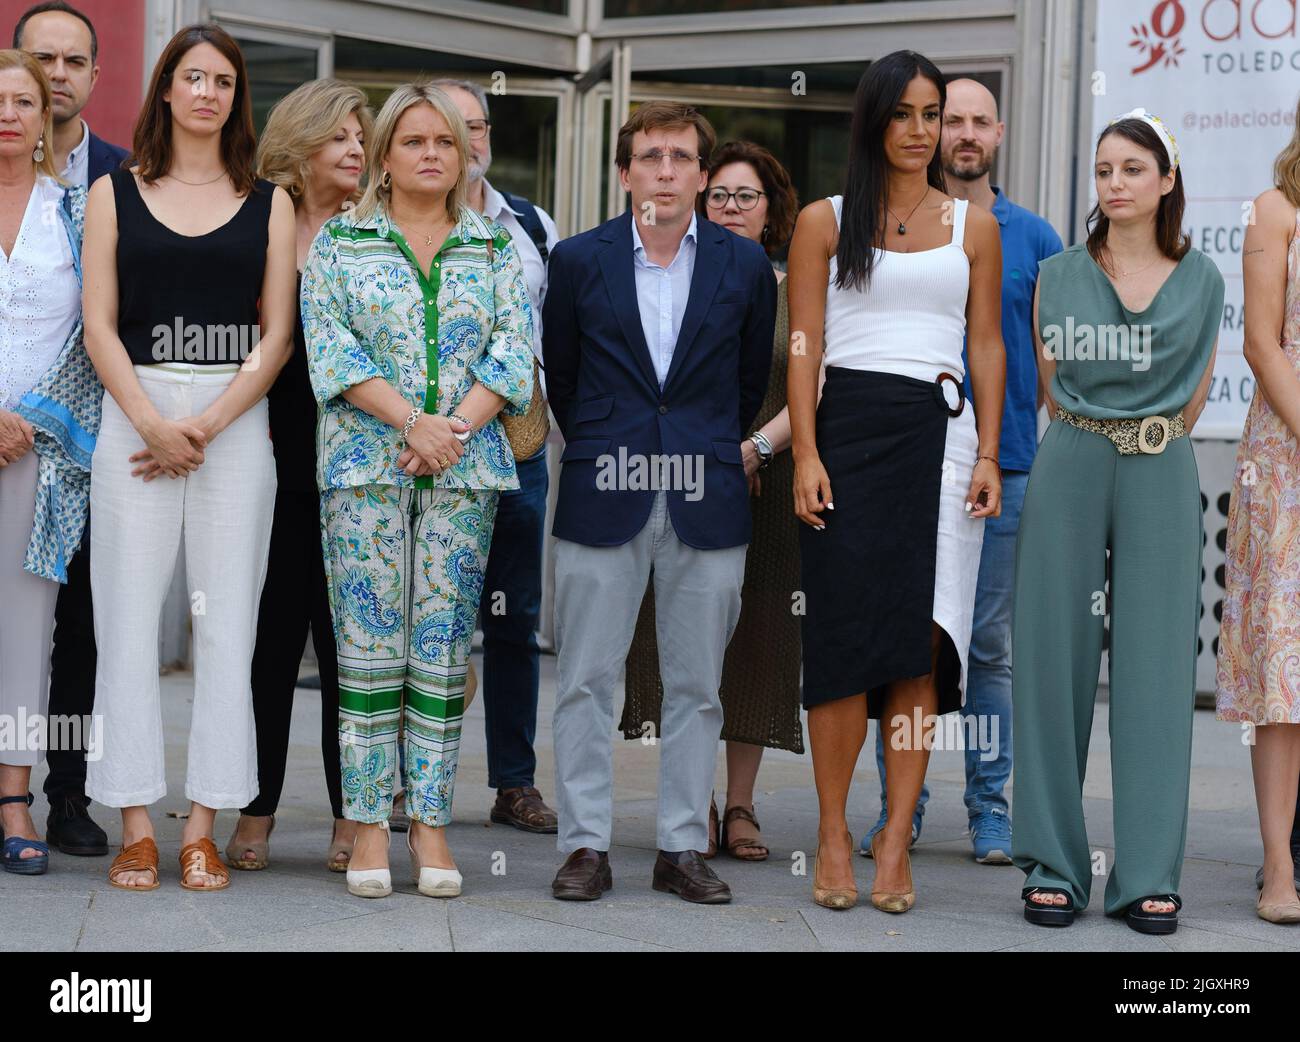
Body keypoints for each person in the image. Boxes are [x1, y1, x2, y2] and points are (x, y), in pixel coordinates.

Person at [301, 82, 534, 901]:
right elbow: (327, 348)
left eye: (446, 141)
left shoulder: (494, 249)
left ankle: (429, 823)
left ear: (464, 153)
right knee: (366, 650)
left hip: (463, 471)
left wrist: (453, 431)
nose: (432, 153)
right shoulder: (341, 242)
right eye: (413, 141)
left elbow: (513, 351)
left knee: (440, 649)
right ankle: (368, 823)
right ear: (385, 156)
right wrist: (411, 424)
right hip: (365, 469)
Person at [787, 51, 1004, 913]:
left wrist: (989, 450)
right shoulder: (822, 220)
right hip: (846, 437)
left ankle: (895, 837)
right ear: (874, 120)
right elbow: (804, 346)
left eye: (934, 114)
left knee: (922, 647)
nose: (922, 131)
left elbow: (984, 345)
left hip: (942, 443)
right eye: (906, 114)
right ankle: (834, 830)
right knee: (841, 645)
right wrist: (804, 452)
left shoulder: (972, 227)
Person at [81, 23, 296, 892]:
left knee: (227, 629)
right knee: (126, 627)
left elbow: (278, 334)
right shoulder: (113, 193)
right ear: (165, 90)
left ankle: (204, 823)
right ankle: (134, 821)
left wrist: (206, 422)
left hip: (233, 421)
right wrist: (151, 421)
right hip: (134, 414)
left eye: (223, 80)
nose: (207, 91)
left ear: (237, 97)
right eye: (191, 76)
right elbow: (98, 324)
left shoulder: (269, 199)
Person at [544, 102, 776, 904]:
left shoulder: (744, 269)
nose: (667, 171)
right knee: (584, 679)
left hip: (706, 496)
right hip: (603, 490)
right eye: (651, 157)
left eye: (682, 157)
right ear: (625, 173)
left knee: (697, 686)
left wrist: (706, 453)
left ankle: (681, 847)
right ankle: (584, 846)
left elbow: (748, 386)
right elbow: (563, 379)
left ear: (704, 175)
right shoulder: (577, 261)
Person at [1013, 110, 1223, 934]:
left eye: (1133, 169)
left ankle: (1144, 876)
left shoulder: (1202, 276)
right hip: (1072, 457)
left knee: (1157, 667)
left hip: (1161, 464)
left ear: (1167, 181)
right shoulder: (1060, 273)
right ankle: (1055, 867)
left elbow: (1199, 388)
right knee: (1052, 656)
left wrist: (1150, 433)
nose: (1115, 184)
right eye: (1104, 170)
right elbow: (1050, 378)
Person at [864, 77, 1062, 865]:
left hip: (1004, 466)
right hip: (905, 463)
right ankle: (899, 810)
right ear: (932, 130)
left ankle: (989, 809)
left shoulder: (1037, 237)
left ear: (1001, 133)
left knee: (988, 648)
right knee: (901, 644)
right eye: (953, 120)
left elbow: (1051, 362)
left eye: (981, 121)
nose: (965, 133)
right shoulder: (898, 223)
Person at [620, 139, 802, 862]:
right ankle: (689, 797)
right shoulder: (672, 275)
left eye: (745, 197)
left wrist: (751, 452)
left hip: (773, 474)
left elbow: (809, 385)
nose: (730, 208)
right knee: (678, 641)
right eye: (719, 194)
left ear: (771, 209)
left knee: (759, 636)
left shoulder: (795, 286)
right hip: (675, 481)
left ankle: (742, 804)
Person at [221, 79, 372, 875]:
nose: (355, 148)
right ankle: (256, 810)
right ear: (300, 140)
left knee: (348, 651)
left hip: (354, 462)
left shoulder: (377, 230)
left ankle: (353, 816)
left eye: (360, 136)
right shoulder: (254, 220)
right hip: (263, 454)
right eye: (339, 135)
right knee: (268, 647)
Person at [14, 0, 128, 859]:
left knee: (72, 625)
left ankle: (66, 794)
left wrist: (37, 420)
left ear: (94, 75)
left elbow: (107, 322)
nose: (55, 77)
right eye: (39, 60)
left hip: (77, 445)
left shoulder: (119, 180)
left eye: (72, 61)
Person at [433, 78, 560, 835]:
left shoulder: (534, 226)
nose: (467, 141)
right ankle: (415, 786)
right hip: (426, 454)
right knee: (430, 621)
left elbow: (551, 340)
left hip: (517, 451)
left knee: (514, 622)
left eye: (475, 126)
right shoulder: (386, 225)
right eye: (450, 128)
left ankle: (515, 783)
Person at [0, 48, 86, 875]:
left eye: (24, 100)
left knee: (28, 629)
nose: (9, 112)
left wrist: (22, 422)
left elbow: (97, 332)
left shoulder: (77, 213)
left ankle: (15, 794)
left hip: (39, 448)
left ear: (43, 118)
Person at [1216, 96, 1300, 925]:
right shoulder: (1277, 210)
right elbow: (1261, 341)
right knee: (1284, 674)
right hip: (1288, 458)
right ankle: (1277, 867)